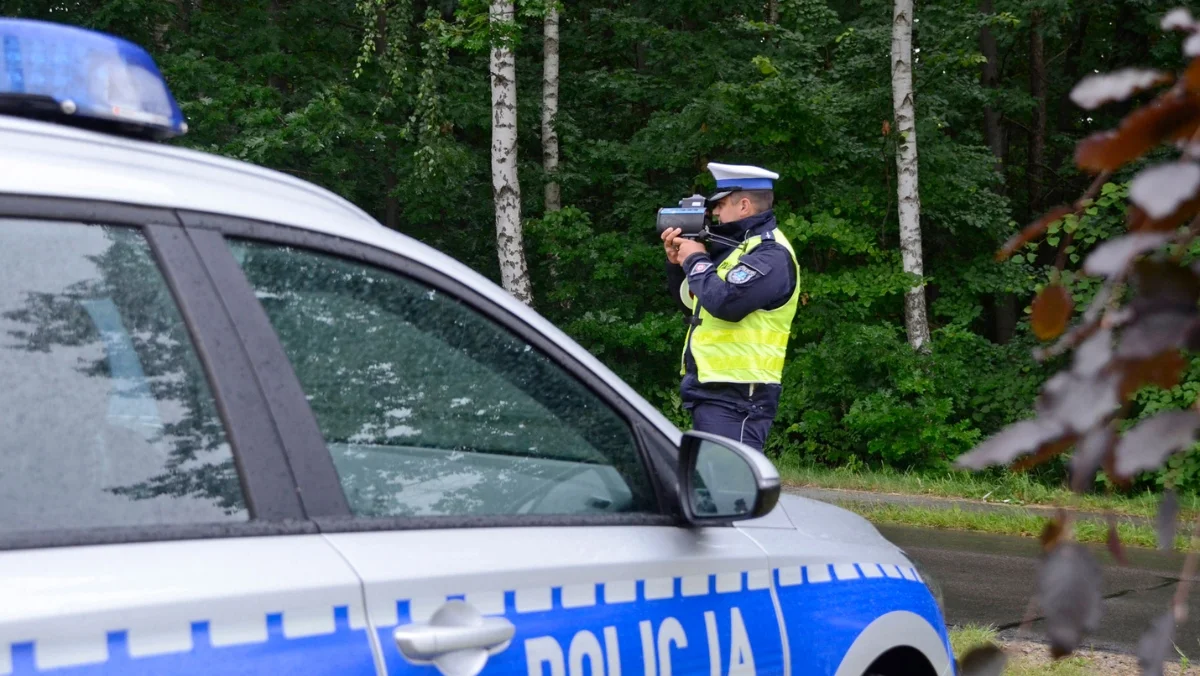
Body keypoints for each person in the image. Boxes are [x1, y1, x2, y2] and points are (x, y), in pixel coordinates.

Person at [661, 162, 800, 452]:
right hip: (715, 390)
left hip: (739, 395)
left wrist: (696, 260)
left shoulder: (770, 254)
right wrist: (678, 264)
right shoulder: (737, 252)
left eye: (720, 205)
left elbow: (726, 304)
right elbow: (694, 306)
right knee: (714, 487)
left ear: (744, 205)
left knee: (728, 490)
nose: (713, 213)